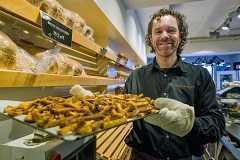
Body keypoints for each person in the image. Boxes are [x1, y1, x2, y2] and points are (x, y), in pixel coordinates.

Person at [124, 8, 226, 160]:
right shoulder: (135, 77)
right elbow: (122, 112)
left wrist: (187, 125)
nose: (164, 36)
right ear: (151, 39)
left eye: (171, 30)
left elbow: (217, 125)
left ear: (180, 36)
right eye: (158, 32)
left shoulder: (200, 76)